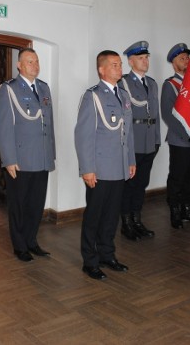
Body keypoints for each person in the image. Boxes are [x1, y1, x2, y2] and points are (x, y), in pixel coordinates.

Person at [75, 50, 135, 280]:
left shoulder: (124, 96)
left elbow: (128, 133)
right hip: (99, 169)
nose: (119, 69)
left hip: (119, 167)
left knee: (111, 216)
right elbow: (83, 136)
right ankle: (90, 261)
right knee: (94, 216)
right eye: (114, 65)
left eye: (120, 65)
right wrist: (87, 168)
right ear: (102, 69)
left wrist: (130, 160)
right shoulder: (92, 96)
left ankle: (107, 255)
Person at [0, 48, 56, 262]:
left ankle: (31, 241)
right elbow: (3, 128)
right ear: (19, 65)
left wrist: (51, 154)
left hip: (42, 157)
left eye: (37, 61)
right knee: (19, 205)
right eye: (30, 62)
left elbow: (49, 124)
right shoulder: (9, 89)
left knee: (36, 204)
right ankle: (19, 245)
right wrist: (9, 159)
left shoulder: (44, 88)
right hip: (20, 159)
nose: (35, 66)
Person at [118, 41, 160, 240]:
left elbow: (156, 115)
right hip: (133, 142)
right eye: (141, 58)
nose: (145, 61)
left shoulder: (152, 83)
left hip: (149, 142)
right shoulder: (123, 83)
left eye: (147, 57)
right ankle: (126, 223)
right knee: (129, 185)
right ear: (130, 61)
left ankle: (137, 220)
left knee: (142, 183)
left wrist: (157, 140)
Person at [160, 43, 190, 229]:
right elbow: (167, 115)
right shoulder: (170, 85)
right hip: (181, 140)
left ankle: (188, 209)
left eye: (187, 57)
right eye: (182, 58)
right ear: (173, 63)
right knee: (178, 177)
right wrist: (188, 135)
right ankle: (175, 211)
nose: (186, 61)